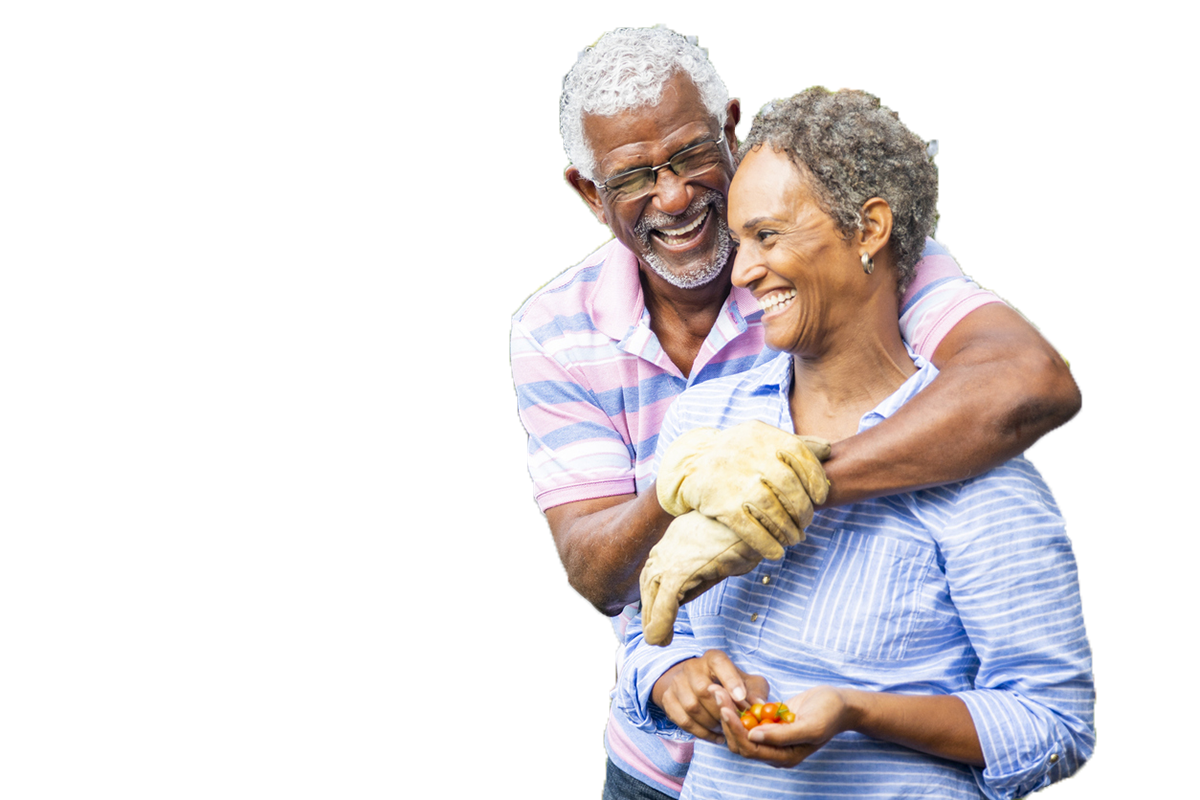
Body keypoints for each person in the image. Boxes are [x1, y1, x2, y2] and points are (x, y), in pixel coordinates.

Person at [509, 27, 1083, 800]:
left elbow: (1026, 381)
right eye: (636, 177)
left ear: (731, 132)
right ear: (590, 193)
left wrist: (791, 482)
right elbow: (606, 577)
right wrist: (669, 647)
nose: (674, 197)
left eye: (688, 157)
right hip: (657, 764)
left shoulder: (871, 256)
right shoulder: (562, 335)